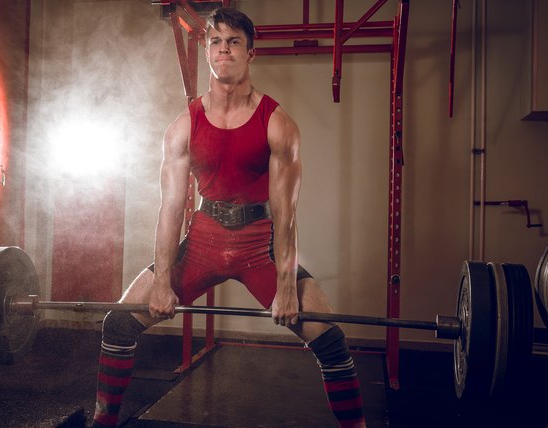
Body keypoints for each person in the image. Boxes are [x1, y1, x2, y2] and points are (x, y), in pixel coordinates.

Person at [91, 7, 365, 428]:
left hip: (259, 249)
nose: (224, 50)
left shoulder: (277, 123)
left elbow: (286, 214)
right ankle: (103, 421)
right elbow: (169, 208)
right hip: (201, 244)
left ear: (250, 53)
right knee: (118, 325)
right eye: (216, 41)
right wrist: (163, 279)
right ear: (206, 50)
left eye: (234, 42)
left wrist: (287, 287)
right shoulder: (183, 126)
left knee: (330, 341)